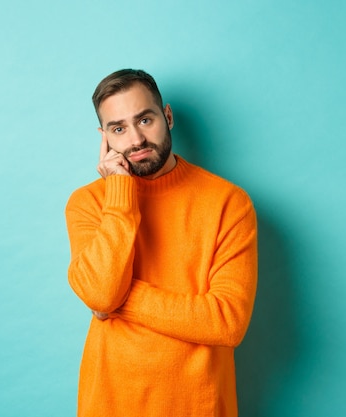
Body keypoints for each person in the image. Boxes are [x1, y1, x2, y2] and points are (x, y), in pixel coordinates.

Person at [65, 69, 257, 417]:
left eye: (145, 119)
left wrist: (120, 298)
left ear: (166, 116)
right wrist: (120, 192)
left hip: (199, 406)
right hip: (110, 404)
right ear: (104, 137)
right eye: (119, 128)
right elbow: (100, 294)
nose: (135, 139)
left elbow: (226, 323)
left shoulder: (229, 203)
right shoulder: (88, 203)